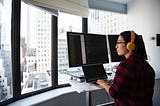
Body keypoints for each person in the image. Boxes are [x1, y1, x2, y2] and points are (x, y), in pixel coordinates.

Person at [97, 31, 155, 106]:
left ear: (130, 45)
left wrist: (103, 83)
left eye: (119, 42)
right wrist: (115, 82)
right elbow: (134, 85)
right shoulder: (147, 65)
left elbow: (114, 93)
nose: (116, 46)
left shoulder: (125, 66)